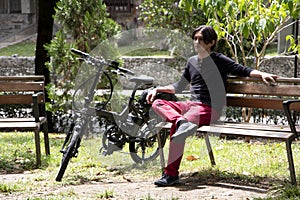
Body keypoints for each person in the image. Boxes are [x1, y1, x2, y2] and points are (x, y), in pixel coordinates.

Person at [146, 25, 278, 187]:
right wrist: (157, 89)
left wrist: (262, 74)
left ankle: (171, 174)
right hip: (190, 106)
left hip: (209, 108)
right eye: (195, 38)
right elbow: (179, 86)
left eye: (201, 39)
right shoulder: (192, 62)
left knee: (178, 128)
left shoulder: (219, 60)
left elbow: (243, 70)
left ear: (211, 42)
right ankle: (180, 121)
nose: (196, 42)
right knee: (158, 102)